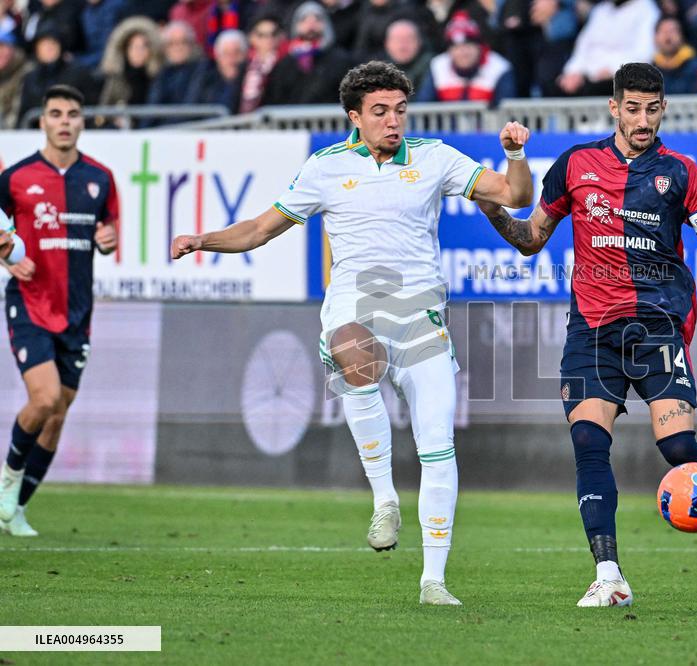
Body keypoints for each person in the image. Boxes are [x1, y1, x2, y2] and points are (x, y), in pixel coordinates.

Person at [170, 61, 534, 605]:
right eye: (381, 112)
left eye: (400, 111)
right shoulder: (325, 167)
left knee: (437, 445)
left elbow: (514, 196)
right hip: (355, 304)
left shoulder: (434, 158)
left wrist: (514, 153)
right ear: (355, 117)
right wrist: (204, 239)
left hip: (421, 312)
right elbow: (260, 229)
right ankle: (384, 496)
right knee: (350, 349)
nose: (393, 121)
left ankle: (434, 580)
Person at [476, 62, 697, 607]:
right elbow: (531, 239)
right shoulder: (576, 164)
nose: (643, 119)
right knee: (588, 443)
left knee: (677, 445)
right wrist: (491, 210)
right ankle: (610, 576)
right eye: (633, 108)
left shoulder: (681, 173)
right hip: (592, 328)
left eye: (652, 109)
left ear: (664, 109)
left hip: (657, 326)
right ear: (614, 107)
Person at [0, 84, 119, 537]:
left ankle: (18, 506)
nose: (64, 121)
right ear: (43, 122)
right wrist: (8, 257)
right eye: (55, 113)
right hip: (30, 302)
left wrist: (106, 241)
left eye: (72, 113)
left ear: (81, 121)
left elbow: (107, 232)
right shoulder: (16, 177)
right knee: (44, 398)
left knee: (57, 416)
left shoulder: (100, 178)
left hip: (77, 311)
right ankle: (6, 482)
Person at [556, 0, 659, 96]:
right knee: (555, 85)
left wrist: (614, 69)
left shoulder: (646, 9)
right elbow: (583, 46)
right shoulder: (601, 10)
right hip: (589, 75)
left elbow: (645, 54)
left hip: (621, 79)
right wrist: (573, 72)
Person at [261, 1, 354, 105]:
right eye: (303, 19)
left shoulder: (340, 61)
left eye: (317, 18)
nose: (311, 24)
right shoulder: (284, 65)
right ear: (295, 26)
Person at [414, 13, 515, 106]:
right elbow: (423, 106)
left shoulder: (499, 67)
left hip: (489, 125)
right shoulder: (438, 65)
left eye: (468, 45)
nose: (463, 52)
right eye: (456, 47)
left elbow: (506, 111)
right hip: (447, 126)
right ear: (449, 50)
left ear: (479, 46)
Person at [652, 16, 697, 95]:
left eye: (672, 31)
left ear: (682, 36)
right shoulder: (648, 72)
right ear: (655, 37)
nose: (667, 36)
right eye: (663, 31)